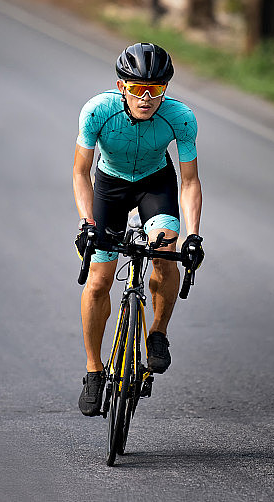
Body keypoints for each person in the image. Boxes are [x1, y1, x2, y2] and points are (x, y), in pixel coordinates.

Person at [73, 42, 204, 416]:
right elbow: (81, 172)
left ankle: (157, 332)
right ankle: (94, 371)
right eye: (136, 88)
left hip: (154, 183)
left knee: (165, 248)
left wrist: (193, 234)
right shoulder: (98, 111)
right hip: (110, 186)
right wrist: (87, 223)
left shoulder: (180, 118)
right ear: (121, 86)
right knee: (99, 280)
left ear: (166, 89)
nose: (146, 98)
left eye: (156, 90)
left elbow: (190, 181)